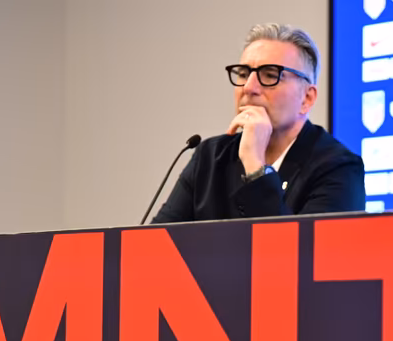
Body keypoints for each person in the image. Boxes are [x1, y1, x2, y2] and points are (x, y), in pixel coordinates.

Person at [153, 24, 365, 223]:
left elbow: (297, 256)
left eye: (270, 75)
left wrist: (255, 165)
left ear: (307, 98)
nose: (248, 87)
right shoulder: (209, 157)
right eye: (243, 74)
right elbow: (151, 245)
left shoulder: (338, 168)